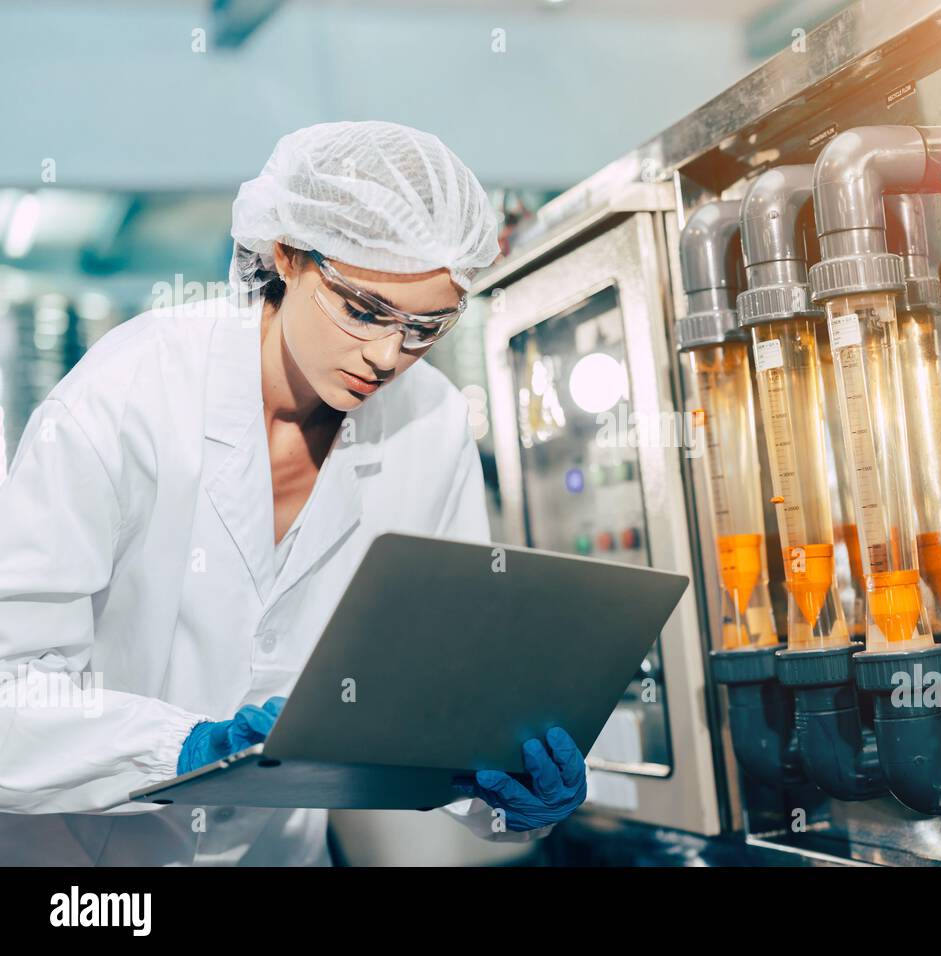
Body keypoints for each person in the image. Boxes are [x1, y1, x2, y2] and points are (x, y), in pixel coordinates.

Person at [0, 121, 586, 865]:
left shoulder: (430, 423)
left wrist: (502, 795)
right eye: (365, 309)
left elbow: (436, 690)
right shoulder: (133, 391)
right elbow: (11, 693)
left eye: (426, 327)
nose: (387, 356)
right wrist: (183, 748)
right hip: (86, 865)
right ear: (286, 252)